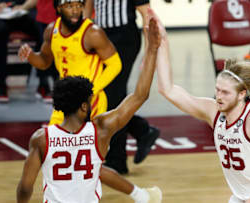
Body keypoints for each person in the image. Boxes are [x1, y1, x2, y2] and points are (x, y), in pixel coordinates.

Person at [16, 10, 162, 202]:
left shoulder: (42, 138)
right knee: (95, 166)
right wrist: (151, 50)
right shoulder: (101, 130)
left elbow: (25, 188)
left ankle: (140, 195)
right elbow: (140, 95)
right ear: (85, 106)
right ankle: (141, 195)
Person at [156, 19, 250, 202]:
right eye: (217, 89)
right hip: (240, 198)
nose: (218, 96)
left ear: (241, 94)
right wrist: (162, 43)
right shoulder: (214, 112)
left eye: (225, 92)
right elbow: (168, 90)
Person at [84, 0, 160, 174]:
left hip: (124, 37)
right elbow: (89, 6)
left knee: (113, 96)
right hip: (100, 36)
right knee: (108, 95)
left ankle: (117, 160)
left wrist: (149, 52)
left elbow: (146, 13)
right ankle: (142, 130)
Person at [18, 0, 122, 125]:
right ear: (58, 8)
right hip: (65, 99)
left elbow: (115, 64)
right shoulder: (52, 30)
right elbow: (44, 62)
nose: (75, 11)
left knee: (87, 143)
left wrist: (91, 90)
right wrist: (30, 56)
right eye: (69, 6)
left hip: (90, 102)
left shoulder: (93, 33)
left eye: (79, 5)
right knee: (52, 142)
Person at [0, 0, 41, 102]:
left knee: (42, 27)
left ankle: (43, 82)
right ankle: (1, 83)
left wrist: (24, 6)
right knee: (0, 30)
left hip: (21, 10)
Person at [14, 0, 59, 103]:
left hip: (66, 11)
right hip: (46, 13)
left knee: (60, 48)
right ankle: (44, 84)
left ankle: (57, 84)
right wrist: (23, 7)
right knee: (45, 45)